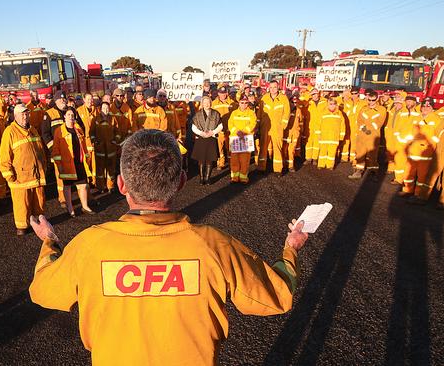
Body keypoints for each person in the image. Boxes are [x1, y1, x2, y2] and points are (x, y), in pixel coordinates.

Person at [28, 129, 308, 366]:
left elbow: (43, 291)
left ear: (122, 185)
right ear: (181, 182)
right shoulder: (214, 244)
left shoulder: (90, 245)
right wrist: (290, 248)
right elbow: (276, 296)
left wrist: (49, 241)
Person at [0, 104, 48, 235]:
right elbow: (4, 156)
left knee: (38, 200)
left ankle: (37, 221)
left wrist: (44, 165)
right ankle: (22, 225)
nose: (25, 116)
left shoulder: (33, 130)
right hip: (20, 177)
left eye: (27, 114)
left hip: (36, 174)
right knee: (22, 203)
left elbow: (40, 150)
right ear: (15, 116)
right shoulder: (9, 132)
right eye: (22, 114)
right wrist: (9, 175)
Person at [52, 107, 95, 216]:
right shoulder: (59, 131)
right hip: (66, 164)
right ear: (64, 117)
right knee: (68, 187)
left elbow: (84, 146)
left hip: (79, 163)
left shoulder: (78, 129)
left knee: (83, 185)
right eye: (69, 115)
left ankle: (85, 206)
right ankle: (70, 208)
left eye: (72, 115)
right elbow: (56, 150)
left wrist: (87, 159)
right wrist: (59, 165)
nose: (71, 117)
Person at [399, 97, 442, 199]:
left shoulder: (437, 119)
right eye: (424, 106)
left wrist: (429, 145)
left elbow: (437, 136)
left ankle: (418, 194)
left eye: (428, 106)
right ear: (421, 107)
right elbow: (410, 132)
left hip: (425, 153)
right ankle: (407, 190)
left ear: (432, 107)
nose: (426, 108)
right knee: (409, 172)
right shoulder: (416, 118)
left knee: (422, 175)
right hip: (413, 151)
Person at [348, 90, 387, 181]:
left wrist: (370, 128)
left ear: (377, 99)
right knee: (360, 154)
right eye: (369, 100)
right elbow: (359, 120)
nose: (371, 102)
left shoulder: (382, 109)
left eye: (373, 100)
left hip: (373, 137)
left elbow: (379, 122)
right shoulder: (363, 108)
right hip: (362, 135)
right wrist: (364, 128)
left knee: (372, 155)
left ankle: (373, 173)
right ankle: (358, 171)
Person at [261, 81, 291, 174]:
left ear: (278, 87)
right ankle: (261, 167)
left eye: (275, 87)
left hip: (277, 128)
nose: (273, 89)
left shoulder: (283, 98)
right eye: (271, 87)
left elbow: (287, 113)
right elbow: (260, 113)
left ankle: (278, 169)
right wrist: (259, 125)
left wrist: (283, 125)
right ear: (268, 88)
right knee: (263, 147)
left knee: (277, 148)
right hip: (265, 127)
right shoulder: (265, 97)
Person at [191, 95, 222, 184]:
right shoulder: (197, 114)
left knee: (209, 159)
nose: (206, 104)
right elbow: (193, 127)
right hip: (201, 138)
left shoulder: (215, 113)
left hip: (211, 138)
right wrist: (201, 133)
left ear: (210, 103)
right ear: (202, 104)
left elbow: (220, 125)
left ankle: (207, 178)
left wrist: (212, 132)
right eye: (205, 103)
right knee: (201, 160)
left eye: (208, 102)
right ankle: (201, 178)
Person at [391, 95, 420, 185]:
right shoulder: (402, 112)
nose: (408, 103)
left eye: (410, 101)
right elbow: (396, 125)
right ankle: (399, 178)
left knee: (410, 163)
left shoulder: (419, 113)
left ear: (415, 102)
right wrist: (397, 136)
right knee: (399, 159)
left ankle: (407, 180)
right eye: (407, 101)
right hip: (400, 141)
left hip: (412, 143)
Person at [228, 95, 257, 183]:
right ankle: (235, 177)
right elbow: (230, 124)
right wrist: (237, 132)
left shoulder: (251, 113)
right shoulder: (234, 113)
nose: (244, 105)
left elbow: (253, 124)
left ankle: (243, 176)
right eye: (242, 103)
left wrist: (243, 132)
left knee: (245, 159)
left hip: (246, 138)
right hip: (235, 138)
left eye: (246, 103)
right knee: (234, 159)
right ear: (239, 103)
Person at [90, 102, 118, 192]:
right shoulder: (95, 119)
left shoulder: (113, 119)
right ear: (100, 109)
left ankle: (110, 186)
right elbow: (91, 132)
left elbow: (117, 131)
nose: (105, 110)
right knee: (100, 168)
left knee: (111, 168)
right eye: (104, 108)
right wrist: (95, 141)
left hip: (110, 148)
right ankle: (100, 187)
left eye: (107, 108)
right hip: (100, 148)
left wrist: (115, 140)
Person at [212, 86, 236, 169]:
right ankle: (221, 163)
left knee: (230, 147)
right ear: (218, 93)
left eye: (224, 93)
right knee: (220, 147)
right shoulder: (214, 103)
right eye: (221, 93)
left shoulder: (232, 103)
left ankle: (230, 162)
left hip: (229, 129)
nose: (223, 95)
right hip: (219, 130)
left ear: (227, 93)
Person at [283, 92, 304, 172]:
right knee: (284, 149)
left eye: (296, 102)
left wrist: (300, 129)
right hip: (286, 132)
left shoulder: (298, 110)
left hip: (295, 133)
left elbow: (301, 121)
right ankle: (284, 164)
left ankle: (291, 166)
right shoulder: (286, 110)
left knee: (291, 150)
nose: (294, 104)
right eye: (293, 102)